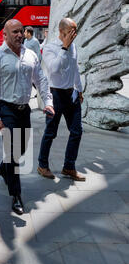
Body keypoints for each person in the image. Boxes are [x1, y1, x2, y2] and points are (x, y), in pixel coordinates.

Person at [0, 19, 54, 215]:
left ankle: (3, 168)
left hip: (25, 110)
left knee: (21, 148)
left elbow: (40, 80)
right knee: (14, 153)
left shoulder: (31, 54)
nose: (19, 35)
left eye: (21, 31)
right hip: (5, 108)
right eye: (14, 32)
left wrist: (48, 102)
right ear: (4, 35)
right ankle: (16, 195)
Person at [37, 17, 86, 181]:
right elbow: (54, 69)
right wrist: (64, 47)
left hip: (71, 94)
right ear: (61, 31)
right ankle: (42, 165)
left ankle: (69, 166)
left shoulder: (74, 47)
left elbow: (75, 68)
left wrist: (79, 88)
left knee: (77, 131)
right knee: (50, 132)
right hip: (55, 94)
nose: (74, 35)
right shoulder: (50, 48)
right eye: (71, 31)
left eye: (75, 31)